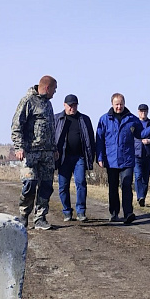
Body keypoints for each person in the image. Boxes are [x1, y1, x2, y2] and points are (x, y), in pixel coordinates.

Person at [96, 93, 150, 224]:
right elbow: (99, 140)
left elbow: (140, 134)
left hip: (127, 159)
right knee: (113, 187)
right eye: (116, 104)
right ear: (112, 104)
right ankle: (114, 213)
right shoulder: (104, 119)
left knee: (127, 184)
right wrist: (100, 157)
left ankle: (128, 213)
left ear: (124, 104)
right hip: (110, 160)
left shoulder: (132, 119)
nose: (119, 107)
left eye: (121, 104)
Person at [11, 75, 58, 230]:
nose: (55, 93)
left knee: (46, 186)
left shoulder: (48, 104)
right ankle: (24, 214)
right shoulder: (28, 101)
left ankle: (40, 218)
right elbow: (17, 125)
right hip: (31, 152)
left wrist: (54, 148)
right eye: (54, 89)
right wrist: (18, 147)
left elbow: (51, 129)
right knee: (30, 184)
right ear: (47, 87)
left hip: (47, 154)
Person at [54, 94, 95, 222]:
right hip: (63, 158)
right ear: (64, 105)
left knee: (81, 182)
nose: (72, 108)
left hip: (79, 157)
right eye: (70, 105)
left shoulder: (84, 119)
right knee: (63, 186)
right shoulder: (57, 119)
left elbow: (90, 140)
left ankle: (81, 211)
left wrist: (91, 155)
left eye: (74, 105)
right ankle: (67, 211)